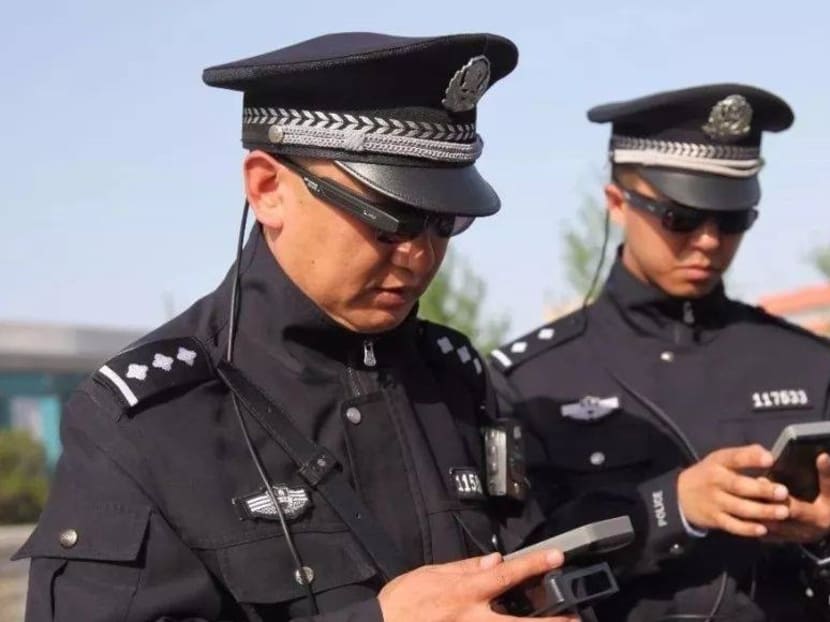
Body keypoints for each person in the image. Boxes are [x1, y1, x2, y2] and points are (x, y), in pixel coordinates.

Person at [14, 33, 578, 622]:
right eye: (389, 221)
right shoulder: (146, 421)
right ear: (267, 189)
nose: (418, 255)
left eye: (444, 223)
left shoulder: (455, 380)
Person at [490, 84, 830, 621]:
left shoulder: (809, 363)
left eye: (732, 220)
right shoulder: (530, 380)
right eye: (681, 218)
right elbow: (513, 570)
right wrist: (672, 506)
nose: (709, 241)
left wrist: (823, 535)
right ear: (617, 203)